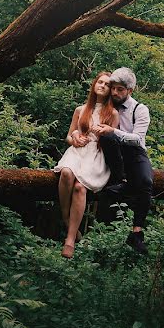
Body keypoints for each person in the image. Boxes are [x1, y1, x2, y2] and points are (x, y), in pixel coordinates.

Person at [53, 72, 119, 259]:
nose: (103, 86)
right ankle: (66, 219)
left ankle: (70, 239)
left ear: (110, 90)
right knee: (66, 173)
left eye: (107, 84)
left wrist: (106, 133)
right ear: (94, 85)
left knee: (80, 188)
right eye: (100, 82)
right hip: (77, 152)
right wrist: (74, 137)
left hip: (96, 156)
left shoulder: (113, 114)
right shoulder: (80, 109)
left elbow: (114, 143)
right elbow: (68, 135)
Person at [91, 67, 152, 254]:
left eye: (120, 90)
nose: (115, 93)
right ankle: (122, 182)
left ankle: (137, 233)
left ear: (130, 91)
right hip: (111, 154)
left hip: (134, 153)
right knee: (108, 139)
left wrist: (114, 131)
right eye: (114, 88)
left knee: (145, 182)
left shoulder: (139, 109)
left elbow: (137, 139)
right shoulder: (106, 105)